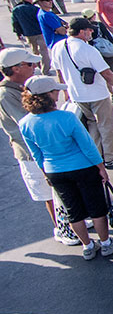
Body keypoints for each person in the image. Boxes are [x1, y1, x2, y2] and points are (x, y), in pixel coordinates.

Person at [19, 76, 113, 260]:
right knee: (96, 208)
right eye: (55, 91)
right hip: (83, 167)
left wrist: (46, 173)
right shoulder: (67, 117)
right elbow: (87, 145)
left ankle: (87, 246)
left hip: (54, 171)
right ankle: (106, 243)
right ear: (48, 95)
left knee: (73, 211)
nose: (58, 93)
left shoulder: (25, 123)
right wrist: (101, 166)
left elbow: (36, 154)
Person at [0, 49, 77, 245]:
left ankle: (73, 220)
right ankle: (62, 229)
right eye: (30, 64)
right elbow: (28, 124)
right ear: (16, 68)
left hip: (49, 150)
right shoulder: (6, 95)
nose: (35, 67)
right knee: (48, 193)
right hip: (30, 155)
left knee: (62, 190)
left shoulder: (21, 87)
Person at [51, 17, 113, 168]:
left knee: (92, 124)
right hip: (97, 94)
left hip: (76, 94)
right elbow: (106, 73)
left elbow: (59, 72)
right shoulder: (87, 49)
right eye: (89, 29)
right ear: (81, 32)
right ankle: (112, 157)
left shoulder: (58, 47)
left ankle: (97, 155)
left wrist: (65, 91)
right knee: (107, 125)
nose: (91, 32)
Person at [11, 0, 52, 75]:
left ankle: (38, 66)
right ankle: (45, 70)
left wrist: (18, 34)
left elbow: (15, 23)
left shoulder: (16, 10)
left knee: (35, 51)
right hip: (39, 32)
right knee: (44, 52)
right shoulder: (34, 8)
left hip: (28, 34)